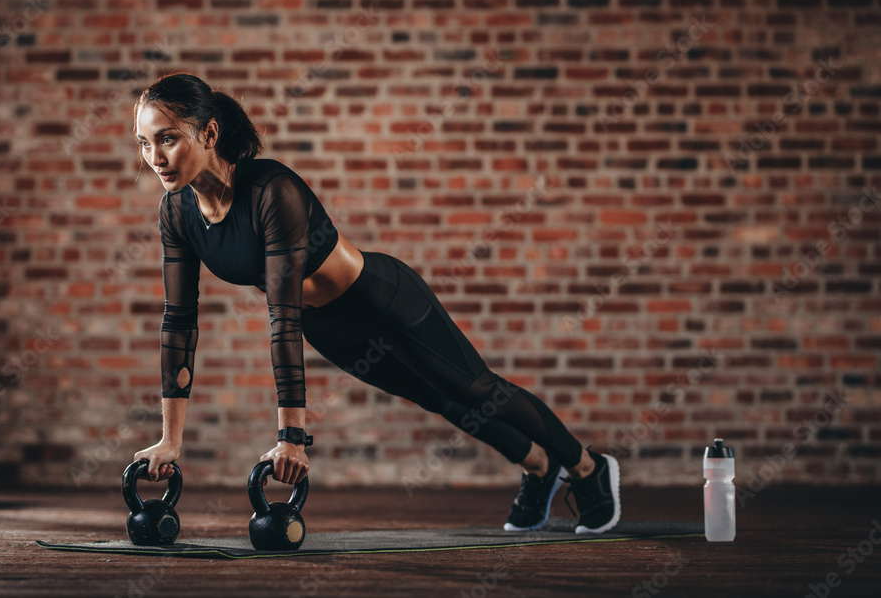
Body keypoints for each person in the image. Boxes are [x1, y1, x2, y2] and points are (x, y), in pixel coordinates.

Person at [131, 72, 621, 534]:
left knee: (475, 390)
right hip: (331, 328)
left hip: (384, 301)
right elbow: (179, 323)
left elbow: (283, 315)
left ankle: (588, 467)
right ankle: (539, 468)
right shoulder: (176, 212)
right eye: (144, 143)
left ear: (209, 133)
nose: (155, 157)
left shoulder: (271, 190)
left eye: (167, 138)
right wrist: (170, 439)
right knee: (438, 398)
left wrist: (292, 437)